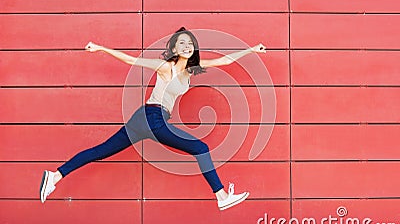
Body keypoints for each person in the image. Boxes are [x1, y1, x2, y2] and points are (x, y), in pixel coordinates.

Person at [39, 27, 267, 210]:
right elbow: (131, 61)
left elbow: (225, 61)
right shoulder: (165, 66)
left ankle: (55, 176)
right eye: (182, 43)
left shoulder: (191, 69)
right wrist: (101, 48)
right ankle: (221, 195)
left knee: (101, 151)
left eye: (190, 43)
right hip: (152, 117)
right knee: (201, 148)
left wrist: (251, 50)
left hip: (144, 119)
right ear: (174, 48)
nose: (187, 46)